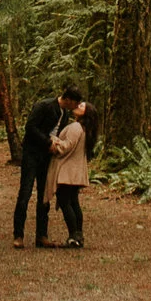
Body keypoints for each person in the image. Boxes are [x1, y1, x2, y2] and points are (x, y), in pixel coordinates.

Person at [13, 86, 78, 248]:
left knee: (44, 196)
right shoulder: (44, 105)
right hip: (32, 155)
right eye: (74, 103)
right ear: (68, 99)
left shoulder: (65, 114)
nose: (75, 107)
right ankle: (18, 235)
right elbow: (30, 127)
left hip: (47, 158)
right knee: (25, 193)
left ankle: (41, 235)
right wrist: (47, 142)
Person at [49, 96, 91, 247]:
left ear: (86, 113)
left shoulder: (76, 127)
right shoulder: (84, 129)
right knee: (73, 202)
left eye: (82, 106)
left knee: (65, 201)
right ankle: (78, 236)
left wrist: (53, 143)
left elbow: (67, 146)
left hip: (68, 170)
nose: (78, 105)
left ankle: (74, 235)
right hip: (75, 170)